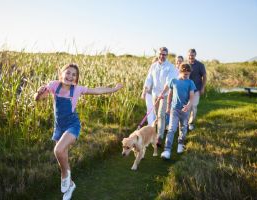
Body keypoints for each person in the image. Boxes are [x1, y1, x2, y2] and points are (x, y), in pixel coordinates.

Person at [34, 64, 123, 200]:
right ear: (61, 74)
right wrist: (39, 92)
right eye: (68, 73)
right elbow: (38, 99)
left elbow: (97, 90)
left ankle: (65, 178)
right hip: (59, 127)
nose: (70, 76)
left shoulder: (77, 89)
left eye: (73, 75)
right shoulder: (53, 85)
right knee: (63, 157)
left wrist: (114, 89)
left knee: (58, 151)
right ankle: (70, 185)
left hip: (72, 125)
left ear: (76, 79)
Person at [141, 47, 177, 147]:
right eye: (160, 54)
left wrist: (163, 92)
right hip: (154, 94)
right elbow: (148, 79)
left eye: (164, 54)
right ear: (158, 54)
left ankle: (159, 137)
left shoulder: (170, 67)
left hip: (165, 94)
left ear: (167, 55)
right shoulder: (153, 66)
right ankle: (155, 133)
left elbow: (169, 82)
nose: (162, 56)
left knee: (161, 114)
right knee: (157, 114)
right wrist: (145, 90)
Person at [160, 63, 196, 159]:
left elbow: (192, 97)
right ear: (180, 72)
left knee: (183, 128)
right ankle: (167, 150)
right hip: (174, 109)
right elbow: (170, 95)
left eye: (188, 74)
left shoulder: (190, 83)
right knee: (171, 129)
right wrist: (168, 107)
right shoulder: (174, 81)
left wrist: (188, 106)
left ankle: (180, 144)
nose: (187, 76)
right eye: (185, 74)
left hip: (185, 110)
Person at [187, 49, 207, 130]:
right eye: (189, 55)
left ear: (195, 55)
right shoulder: (185, 64)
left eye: (192, 55)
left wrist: (202, 88)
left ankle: (191, 123)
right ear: (187, 55)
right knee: (186, 107)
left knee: (193, 106)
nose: (191, 57)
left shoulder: (200, 65)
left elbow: (204, 77)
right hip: (186, 90)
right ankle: (185, 122)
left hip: (196, 90)